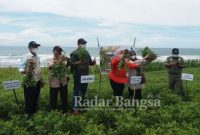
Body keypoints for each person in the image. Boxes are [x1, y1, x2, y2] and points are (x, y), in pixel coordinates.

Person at [70, 38, 96, 114]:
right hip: (77, 75)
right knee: (76, 90)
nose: (84, 45)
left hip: (85, 75)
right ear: (78, 44)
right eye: (82, 43)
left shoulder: (86, 53)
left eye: (84, 43)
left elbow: (90, 63)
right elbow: (71, 64)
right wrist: (78, 62)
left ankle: (82, 104)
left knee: (84, 90)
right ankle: (75, 107)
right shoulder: (74, 53)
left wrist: (93, 62)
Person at [18, 41, 43, 116]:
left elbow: (38, 69)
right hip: (29, 81)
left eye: (36, 47)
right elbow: (20, 67)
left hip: (37, 81)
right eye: (34, 47)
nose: (36, 48)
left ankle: (34, 113)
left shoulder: (37, 57)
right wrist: (25, 72)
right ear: (29, 48)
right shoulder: (26, 56)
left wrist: (41, 79)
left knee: (35, 97)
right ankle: (28, 114)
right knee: (29, 99)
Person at [48, 46, 70, 113]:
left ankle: (64, 111)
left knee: (64, 97)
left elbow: (66, 66)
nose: (59, 53)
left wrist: (68, 60)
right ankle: (53, 111)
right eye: (57, 51)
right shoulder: (50, 59)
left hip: (63, 81)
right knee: (53, 98)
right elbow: (51, 67)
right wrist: (60, 61)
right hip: (54, 82)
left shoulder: (62, 59)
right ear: (53, 51)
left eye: (60, 51)